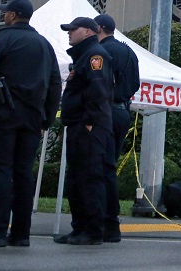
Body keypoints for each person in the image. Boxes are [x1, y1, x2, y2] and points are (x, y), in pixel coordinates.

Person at [0, 0, 62, 248]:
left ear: (12, 15)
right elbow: (55, 85)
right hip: (33, 119)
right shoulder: (45, 44)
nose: (4, 16)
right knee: (23, 174)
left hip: (3, 115)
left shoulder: (0, 39)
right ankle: (21, 234)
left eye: (5, 13)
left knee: (0, 172)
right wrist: (46, 118)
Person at [54, 17, 114, 246]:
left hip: (89, 126)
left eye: (73, 29)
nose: (69, 33)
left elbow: (97, 90)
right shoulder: (83, 56)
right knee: (76, 179)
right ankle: (79, 228)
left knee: (89, 178)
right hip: (79, 125)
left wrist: (89, 121)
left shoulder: (94, 56)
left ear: (88, 32)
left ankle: (93, 230)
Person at [94, 13, 140, 243]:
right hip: (123, 110)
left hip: (105, 111)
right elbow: (136, 84)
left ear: (99, 28)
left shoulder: (100, 52)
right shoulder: (130, 52)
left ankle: (104, 221)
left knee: (98, 168)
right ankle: (110, 222)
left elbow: (98, 83)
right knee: (109, 166)